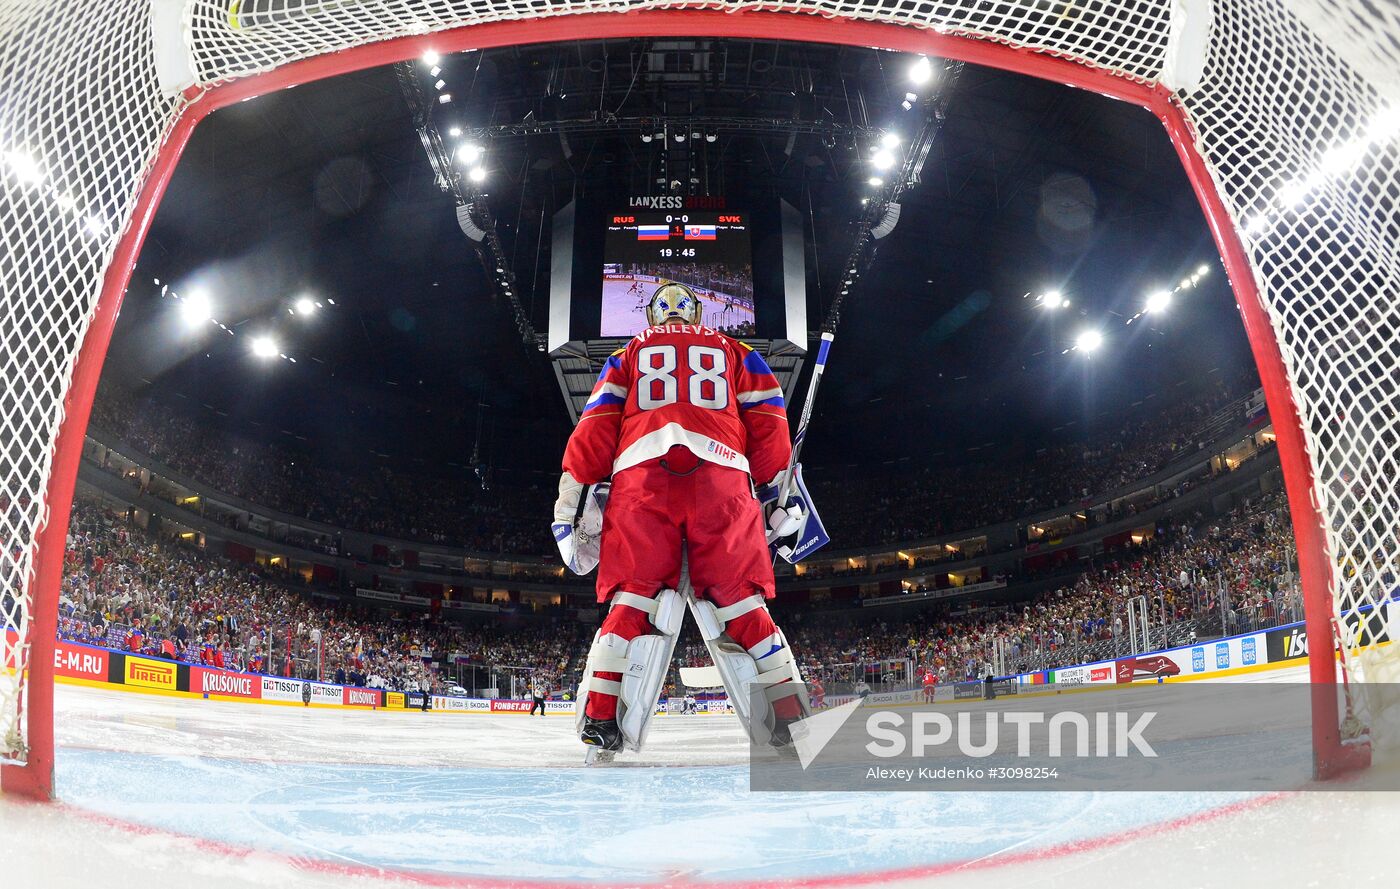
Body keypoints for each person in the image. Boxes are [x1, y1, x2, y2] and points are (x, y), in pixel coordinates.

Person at [554, 282, 809, 761]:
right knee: (738, 601)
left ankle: (603, 717)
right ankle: (792, 718)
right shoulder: (737, 351)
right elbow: (770, 421)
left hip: (642, 479)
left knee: (634, 598)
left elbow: (595, 426)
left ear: (653, 317)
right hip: (723, 478)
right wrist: (777, 491)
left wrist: (571, 499)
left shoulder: (629, 353)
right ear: (698, 313)